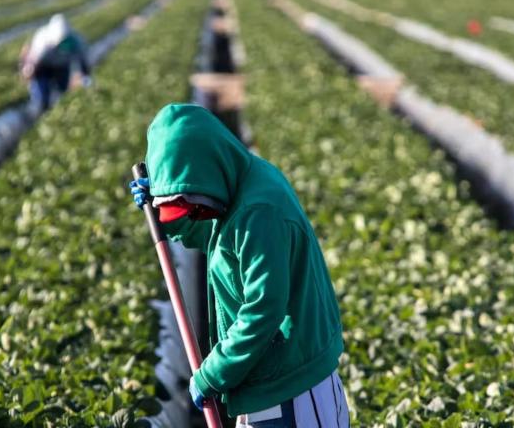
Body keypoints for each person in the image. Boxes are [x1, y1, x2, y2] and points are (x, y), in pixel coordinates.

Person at [129, 103, 350, 428]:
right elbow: (216, 236)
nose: (194, 213)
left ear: (206, 172)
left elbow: (262, 312)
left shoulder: (258, 211)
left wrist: (213, 374)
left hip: (291, 388)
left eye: (190, 204)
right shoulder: (236, 182)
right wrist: (165, 204)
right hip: (267, 375)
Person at [19, 14, 92, 113]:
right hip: (42, 67)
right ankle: (41, 110)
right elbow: (32, 62)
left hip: (61, 66)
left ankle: (58, 111)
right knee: (41, 94)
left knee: (63, 92)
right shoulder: (42, 39)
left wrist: (84, 76)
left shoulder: (75, 40)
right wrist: (28, 73)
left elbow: (83, 61)